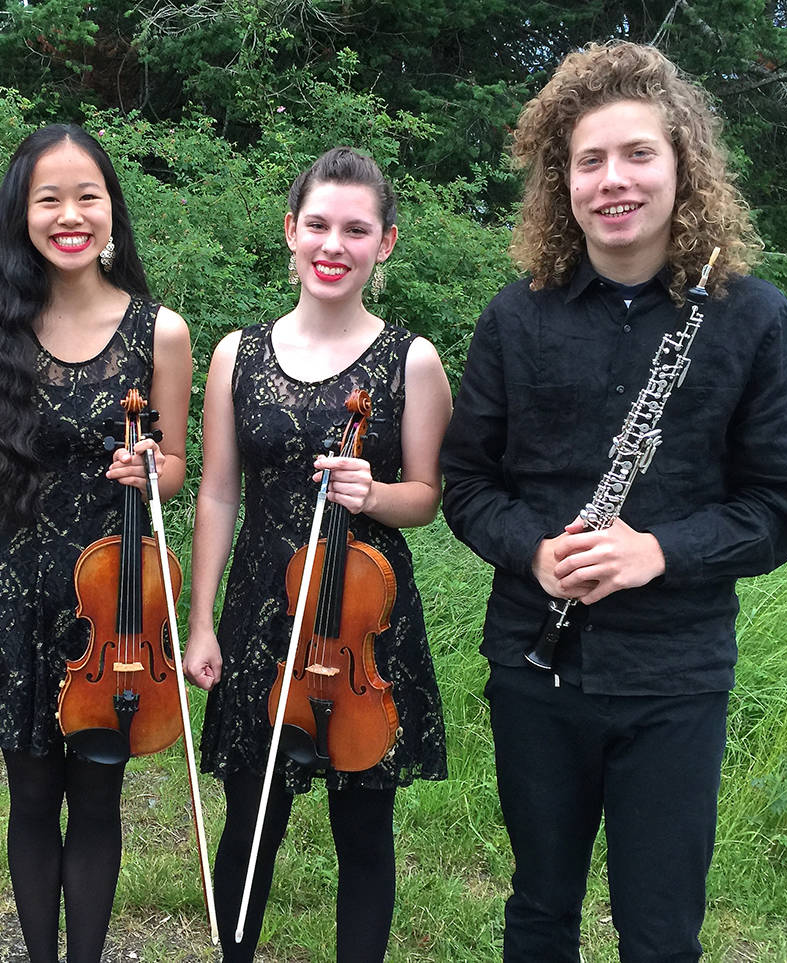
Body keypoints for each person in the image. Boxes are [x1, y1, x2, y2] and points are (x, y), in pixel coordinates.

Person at [440, 41, 787, 962]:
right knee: (540, 909)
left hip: (676, 677)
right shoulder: (515, 316)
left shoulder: (750, 316)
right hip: (536, 670)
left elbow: (781, 503)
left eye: (638, 154)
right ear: (561, 181)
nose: (614, 181)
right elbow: (467, 484)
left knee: (659, 929)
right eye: (589, 160)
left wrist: (660, 550)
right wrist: (533, 550)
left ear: (682, 166)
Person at [183, 146, 452, 962]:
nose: (335, 244)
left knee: (363, 825)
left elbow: (428, 498)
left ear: (387, 243)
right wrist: (201, 620)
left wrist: (376, 494)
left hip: (363, 621)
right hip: (263, 609)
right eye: (320, 225)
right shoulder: (239, 353)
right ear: (291, 233)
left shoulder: (413, 360)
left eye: (357, 230)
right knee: (249, 817)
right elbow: (218, 493)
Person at [0, 124, 192, 963]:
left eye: (87, 194)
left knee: (97, 801)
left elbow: (179, 468)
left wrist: (154, 467)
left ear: (111, 208)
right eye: (48, 198)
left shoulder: (160, 331)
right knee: (28, 796)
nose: (69, 214)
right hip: (11, 602)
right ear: (22, 214)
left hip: (111, 608)